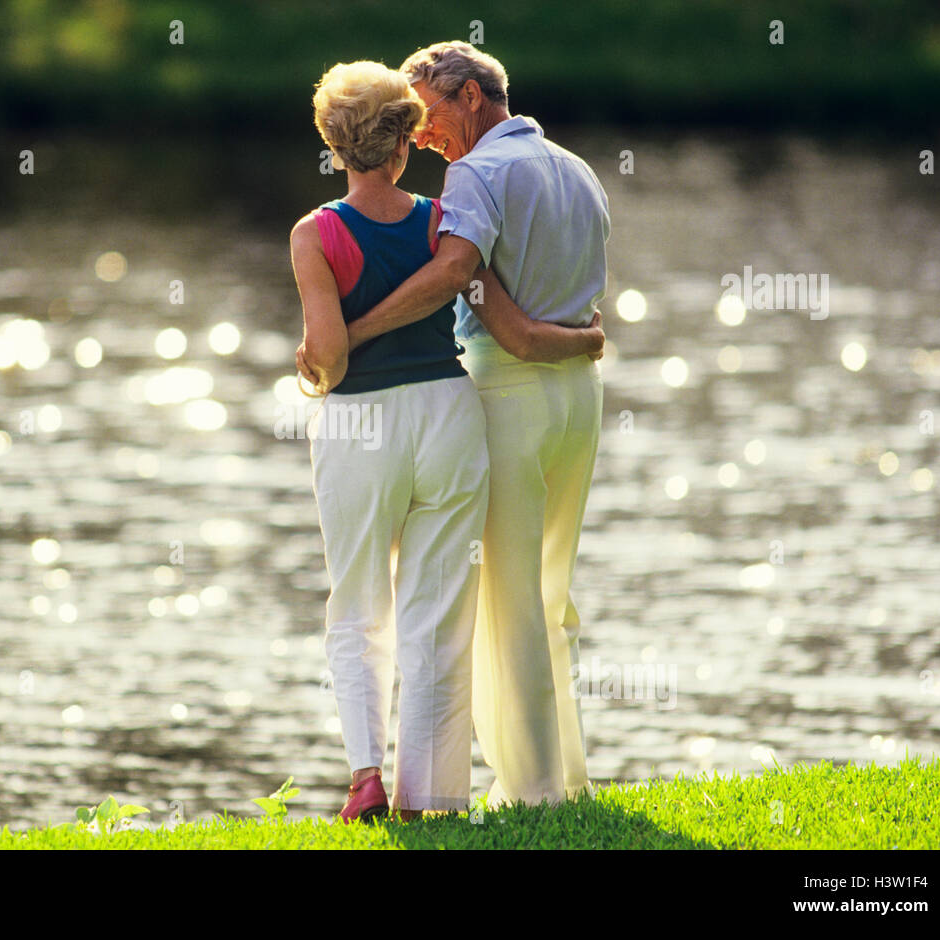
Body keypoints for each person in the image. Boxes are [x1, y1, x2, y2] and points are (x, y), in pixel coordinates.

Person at [289, 60, 602, 822]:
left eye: (431, 113)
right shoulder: (569, 172)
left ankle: (465, 784)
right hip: (513, 405)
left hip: (443, 403)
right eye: (412, 123)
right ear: (394, 141)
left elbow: (454, 295)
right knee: (486, 602)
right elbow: (513, 298)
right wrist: (583, 341)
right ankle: (460, 791)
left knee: (401, 602)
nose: (426, 133)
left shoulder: (347, 223)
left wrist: (343, 342)